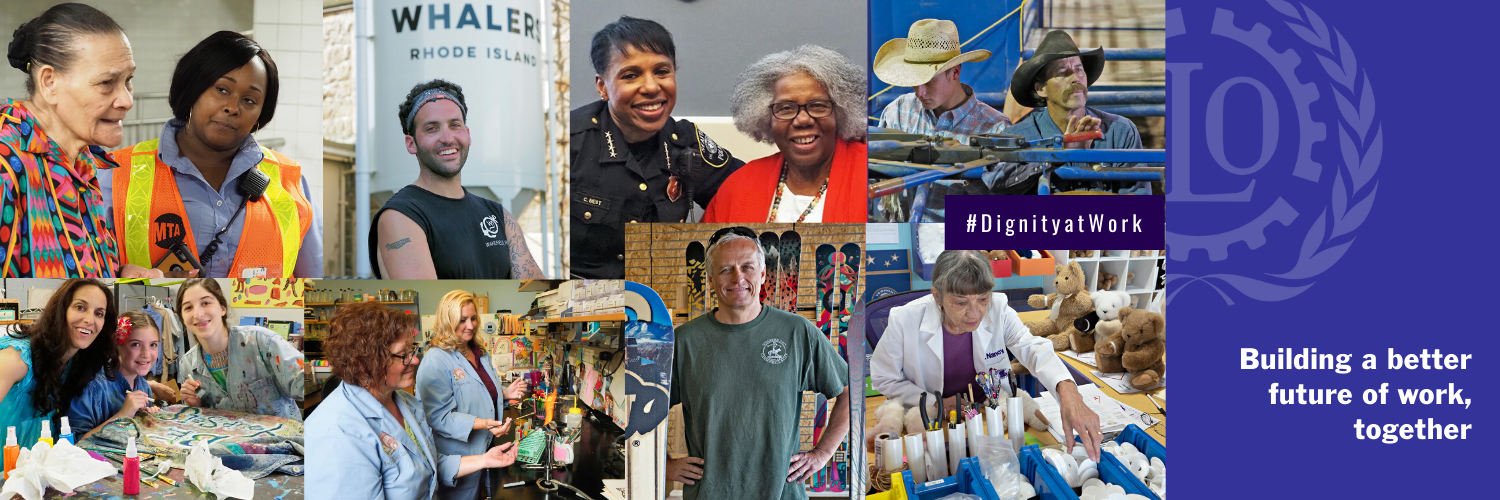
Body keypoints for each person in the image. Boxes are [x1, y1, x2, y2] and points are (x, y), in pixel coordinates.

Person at [101, 31, 320, 278]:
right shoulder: (112, 174)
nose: (232, 107)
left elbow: (312, 282)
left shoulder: (290, 181)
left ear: (261, 113)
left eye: (249, 100)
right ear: (193, 88)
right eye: (222, 89)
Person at [667, 227, 850, 499]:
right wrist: (666, 464)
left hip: (782, 492)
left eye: (747, 267)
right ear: (710, 278)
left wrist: (822, 454)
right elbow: (646, 409)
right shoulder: (684, 341)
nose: (738, 277)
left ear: (763, 274)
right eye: (725, 269)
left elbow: (850, 391)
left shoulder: (797, 332)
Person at [870, 250, 1105, 460]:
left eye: (982, 299)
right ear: (937, 296)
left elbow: (1031, 346)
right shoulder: (904, 320)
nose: (975, 313)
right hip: (934, 423)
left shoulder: (998, 307)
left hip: (986, 414)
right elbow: (884, 378)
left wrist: (1068, 391)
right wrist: (937, 403)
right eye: (960, 302)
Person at [571, 16, 746, 278]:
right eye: (630, 76)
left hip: (664, 299)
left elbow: (744, 189)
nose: (652, 87)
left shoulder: (686, 140)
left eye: (662, 71)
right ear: (602, 86)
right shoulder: (568, 141)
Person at [0, 3, 160, 278]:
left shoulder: (81, 157)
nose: (127, 100)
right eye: (106, 83)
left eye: (128, 80)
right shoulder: (7, 161)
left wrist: (117, 276)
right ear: (50, 82)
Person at [307, 302, 518, 499]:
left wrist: (484, 459)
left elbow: (426, 464)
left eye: (412, 349)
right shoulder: (336, 433)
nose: (415, 360)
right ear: (364, 364)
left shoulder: (405, 403)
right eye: (403, 354)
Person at [368, 79, 544, 279]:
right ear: (411, 144)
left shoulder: (499, 215)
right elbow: (428, 305)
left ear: (467, 135)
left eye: (455, 125)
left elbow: (535, 292)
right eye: (431, 128)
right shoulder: (401, 216)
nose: (447, 138)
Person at [702, 46, 867, 223]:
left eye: (818, 105)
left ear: (840, 112)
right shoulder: (740, 186)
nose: (803, 120)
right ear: (766, 118)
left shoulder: (874, 173)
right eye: (786, 108)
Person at [991, 30, 1152, 195]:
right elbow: (995, 186)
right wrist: (1059, 154)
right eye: (1062, 72)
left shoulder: (1120, 132)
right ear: (1041, 89)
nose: (1075, 78)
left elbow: (1139, 209)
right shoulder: (1018, 137)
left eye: (1079, 69)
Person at [415, 290, 528, 500]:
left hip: (485, 450)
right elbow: (438, 417)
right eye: (462, 320)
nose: (471, 325)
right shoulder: (435, 360)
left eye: (473, 318)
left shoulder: (478, 352)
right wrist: (486, 423)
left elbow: (477, 394)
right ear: (447, 322)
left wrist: (503, 394)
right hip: (458, 458)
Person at [0, 278, 117, 445]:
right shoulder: (16, 360)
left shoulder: (76, 364)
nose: (90, 320)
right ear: (61, 310)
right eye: (80, 307)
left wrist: (150, 385)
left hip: (35, 468)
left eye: (99, 313)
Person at [174, 278, 304, 419]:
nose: (197, 314)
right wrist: (196, 405)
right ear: (182, 317)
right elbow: (201, 423)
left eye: (206, 303)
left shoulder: (262, 341)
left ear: (222, 308)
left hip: (284, 438)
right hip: (228, 439)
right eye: (188, 308)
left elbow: (303, 383)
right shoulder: (187, 364)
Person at [873, 19, 1011, 144]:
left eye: (929, 80)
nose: (920, 92)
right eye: (915, 80)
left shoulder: (996, 129)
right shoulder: (897, 112)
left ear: (955, 72)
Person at [65, 310, 162, 440]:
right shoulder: (91, 387)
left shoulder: (143, 386)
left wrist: (147, 419)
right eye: (136, 344)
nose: (146, 354)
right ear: (116, 345)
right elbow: (75, 445)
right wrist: (123, 415)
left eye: (153, 345)